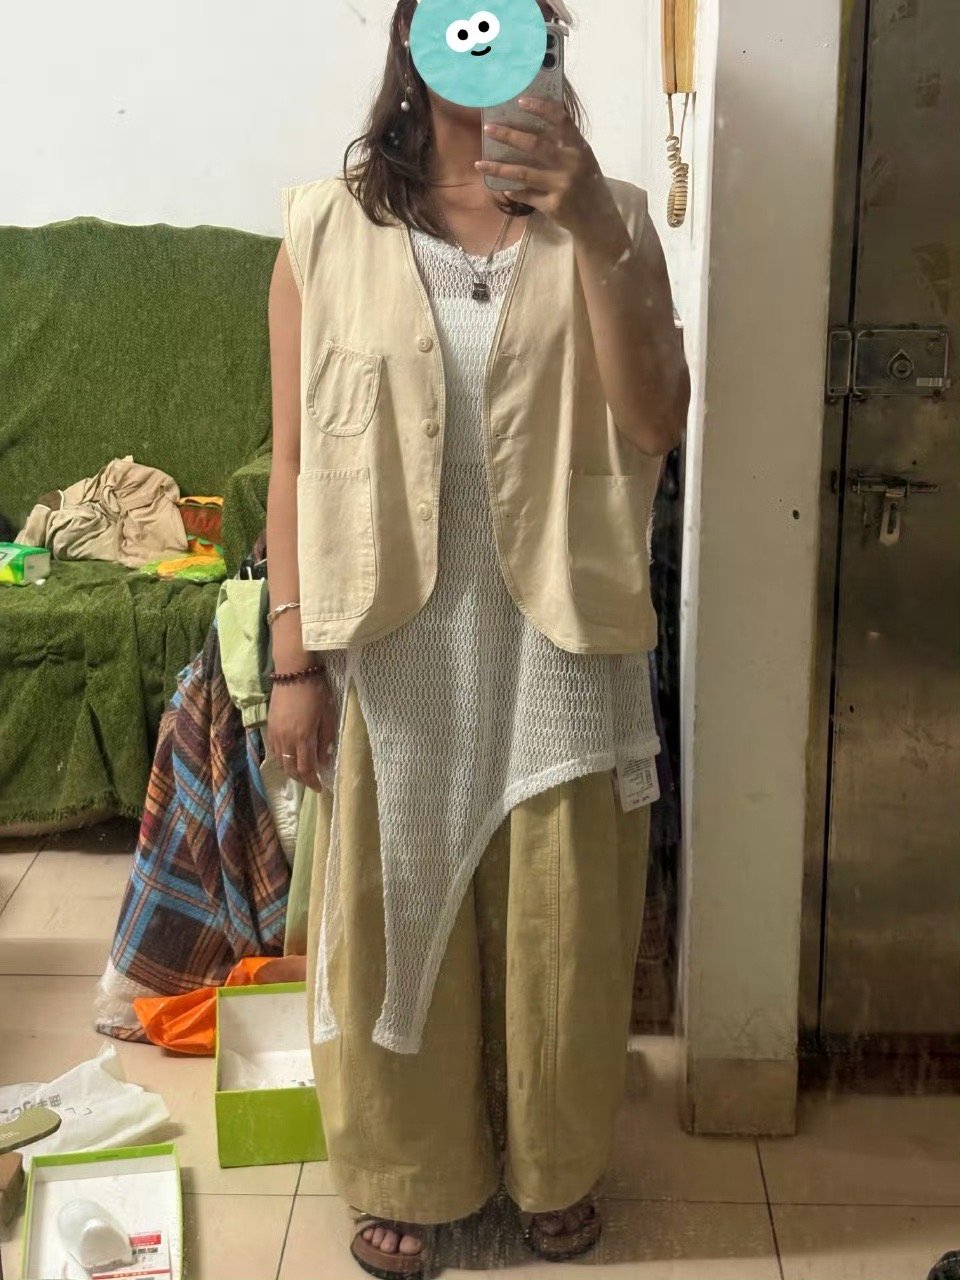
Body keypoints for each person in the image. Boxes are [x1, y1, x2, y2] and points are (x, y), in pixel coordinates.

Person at [266, 2, 689, 1274]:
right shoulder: (325, 228)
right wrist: (292, 660)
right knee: (397, 904)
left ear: (546, 48)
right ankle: (411, 1167)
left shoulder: (613, 215)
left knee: (563, 916)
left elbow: (657, 420)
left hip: (563, 629)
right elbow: (293, 460)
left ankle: (554, 1159)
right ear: (412, 41)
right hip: (398, 634)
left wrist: (595, 223)